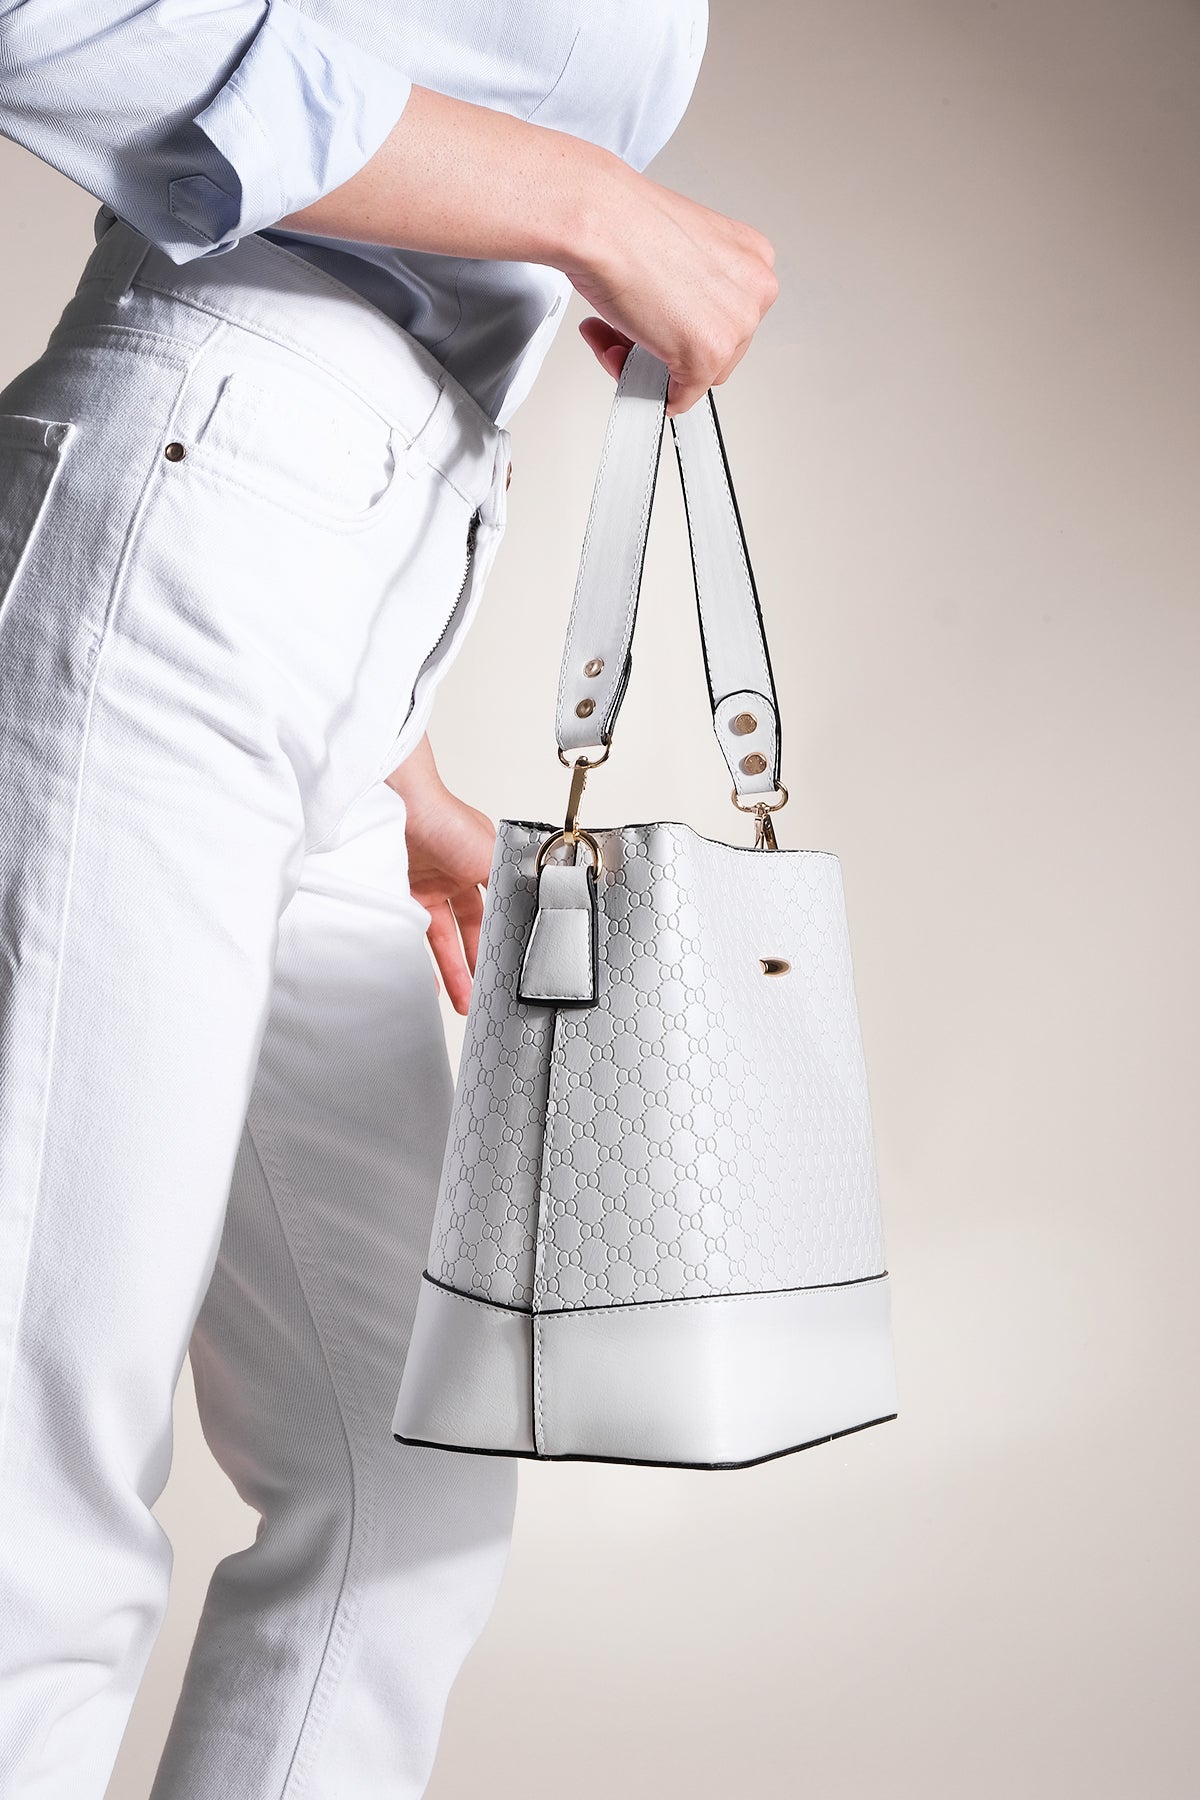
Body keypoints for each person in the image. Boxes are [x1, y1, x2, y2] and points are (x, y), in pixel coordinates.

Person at [0, 3, 777, 1793]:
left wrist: (395, 764)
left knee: (402, 1491)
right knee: (39, 1482)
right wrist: (589, 203)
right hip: (186, 533)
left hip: (330, 628)